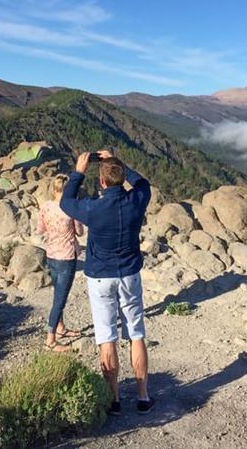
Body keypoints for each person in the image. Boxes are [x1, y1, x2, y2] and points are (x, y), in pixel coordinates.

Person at [60, 150, 154, 415]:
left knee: (106, 337)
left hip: (100, 276)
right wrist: (118, 162)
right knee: (136, 334)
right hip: (129, 274)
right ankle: (143, 396)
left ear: (101, 182)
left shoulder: (92, 208)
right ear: (122, 179)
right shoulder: (137, 200)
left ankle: (114, 399)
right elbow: (143, 184)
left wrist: (78, 172)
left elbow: (66, 201)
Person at [36, 175, 85, 352]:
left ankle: (60, 327)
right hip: (67, 256)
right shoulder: (71, 209)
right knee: (60, 300)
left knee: (57, 292)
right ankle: (50, 339)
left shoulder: (45, 207)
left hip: (51, 254)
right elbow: (79, 232)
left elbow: (40, 229)